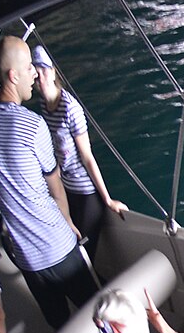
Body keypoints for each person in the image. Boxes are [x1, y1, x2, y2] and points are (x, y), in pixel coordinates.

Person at [0, 37, 93, 329]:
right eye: (29, 68)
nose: (34, 74)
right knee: (98, 317)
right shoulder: (33, 124)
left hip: (28, 261)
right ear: (13, 75)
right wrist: (68, 222)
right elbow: (55, 185)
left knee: (60, 326)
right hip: (59, 247)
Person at [31, 46, 126, 260]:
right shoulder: (44, 106)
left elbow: (87, 157)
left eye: (44, 69)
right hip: (65, 191)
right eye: (35, 71)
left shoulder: (70, 108)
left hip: (84, 192)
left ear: (53, 71)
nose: (40, 76)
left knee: (80, 250)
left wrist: (108, 200)